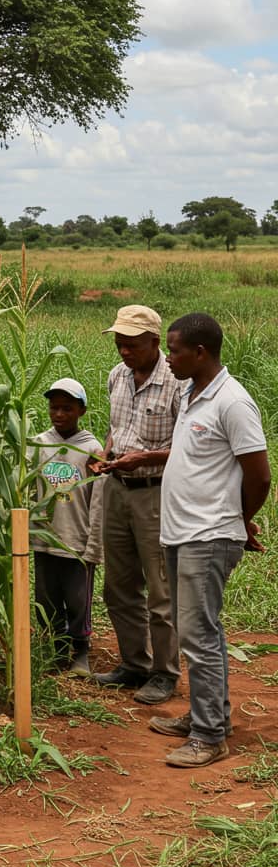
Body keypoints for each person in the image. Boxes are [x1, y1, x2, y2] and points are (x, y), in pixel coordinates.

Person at [149, 313, 270, 767]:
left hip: (208, 535)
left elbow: (259, 476)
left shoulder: (233, 402)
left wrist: (239, 519)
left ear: (200, 353)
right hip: (182, 532)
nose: (168, 358)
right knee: (199, 631)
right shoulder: (190, 393)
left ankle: (208, 736)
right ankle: (209, 715)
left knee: (198, 635)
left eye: (174, 350)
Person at [91, 304, 182, 705]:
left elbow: (189, 447)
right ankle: (134, 664)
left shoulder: (176, 383)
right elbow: (117, 429)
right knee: (119, 585)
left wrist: (145, 458)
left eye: (132, 344)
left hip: (155, 492)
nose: (124, 351)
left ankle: (165, 672)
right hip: (117, 488)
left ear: (155, 342)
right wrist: (105, 454)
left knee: (160, 590)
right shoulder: (117, 375)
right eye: (119, 343)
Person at [32, 379, 104, 677]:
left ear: (81, 410)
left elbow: (98, 501)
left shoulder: (92, 448)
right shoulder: (39, 444)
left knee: (78, 600)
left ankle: (81, 650)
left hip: (77, 541)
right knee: (46, 598)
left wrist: (94, 545)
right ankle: (58, 649)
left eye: (67, 408)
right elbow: (27, 489)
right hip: (43, 539)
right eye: (54, 408)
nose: (59, 414)